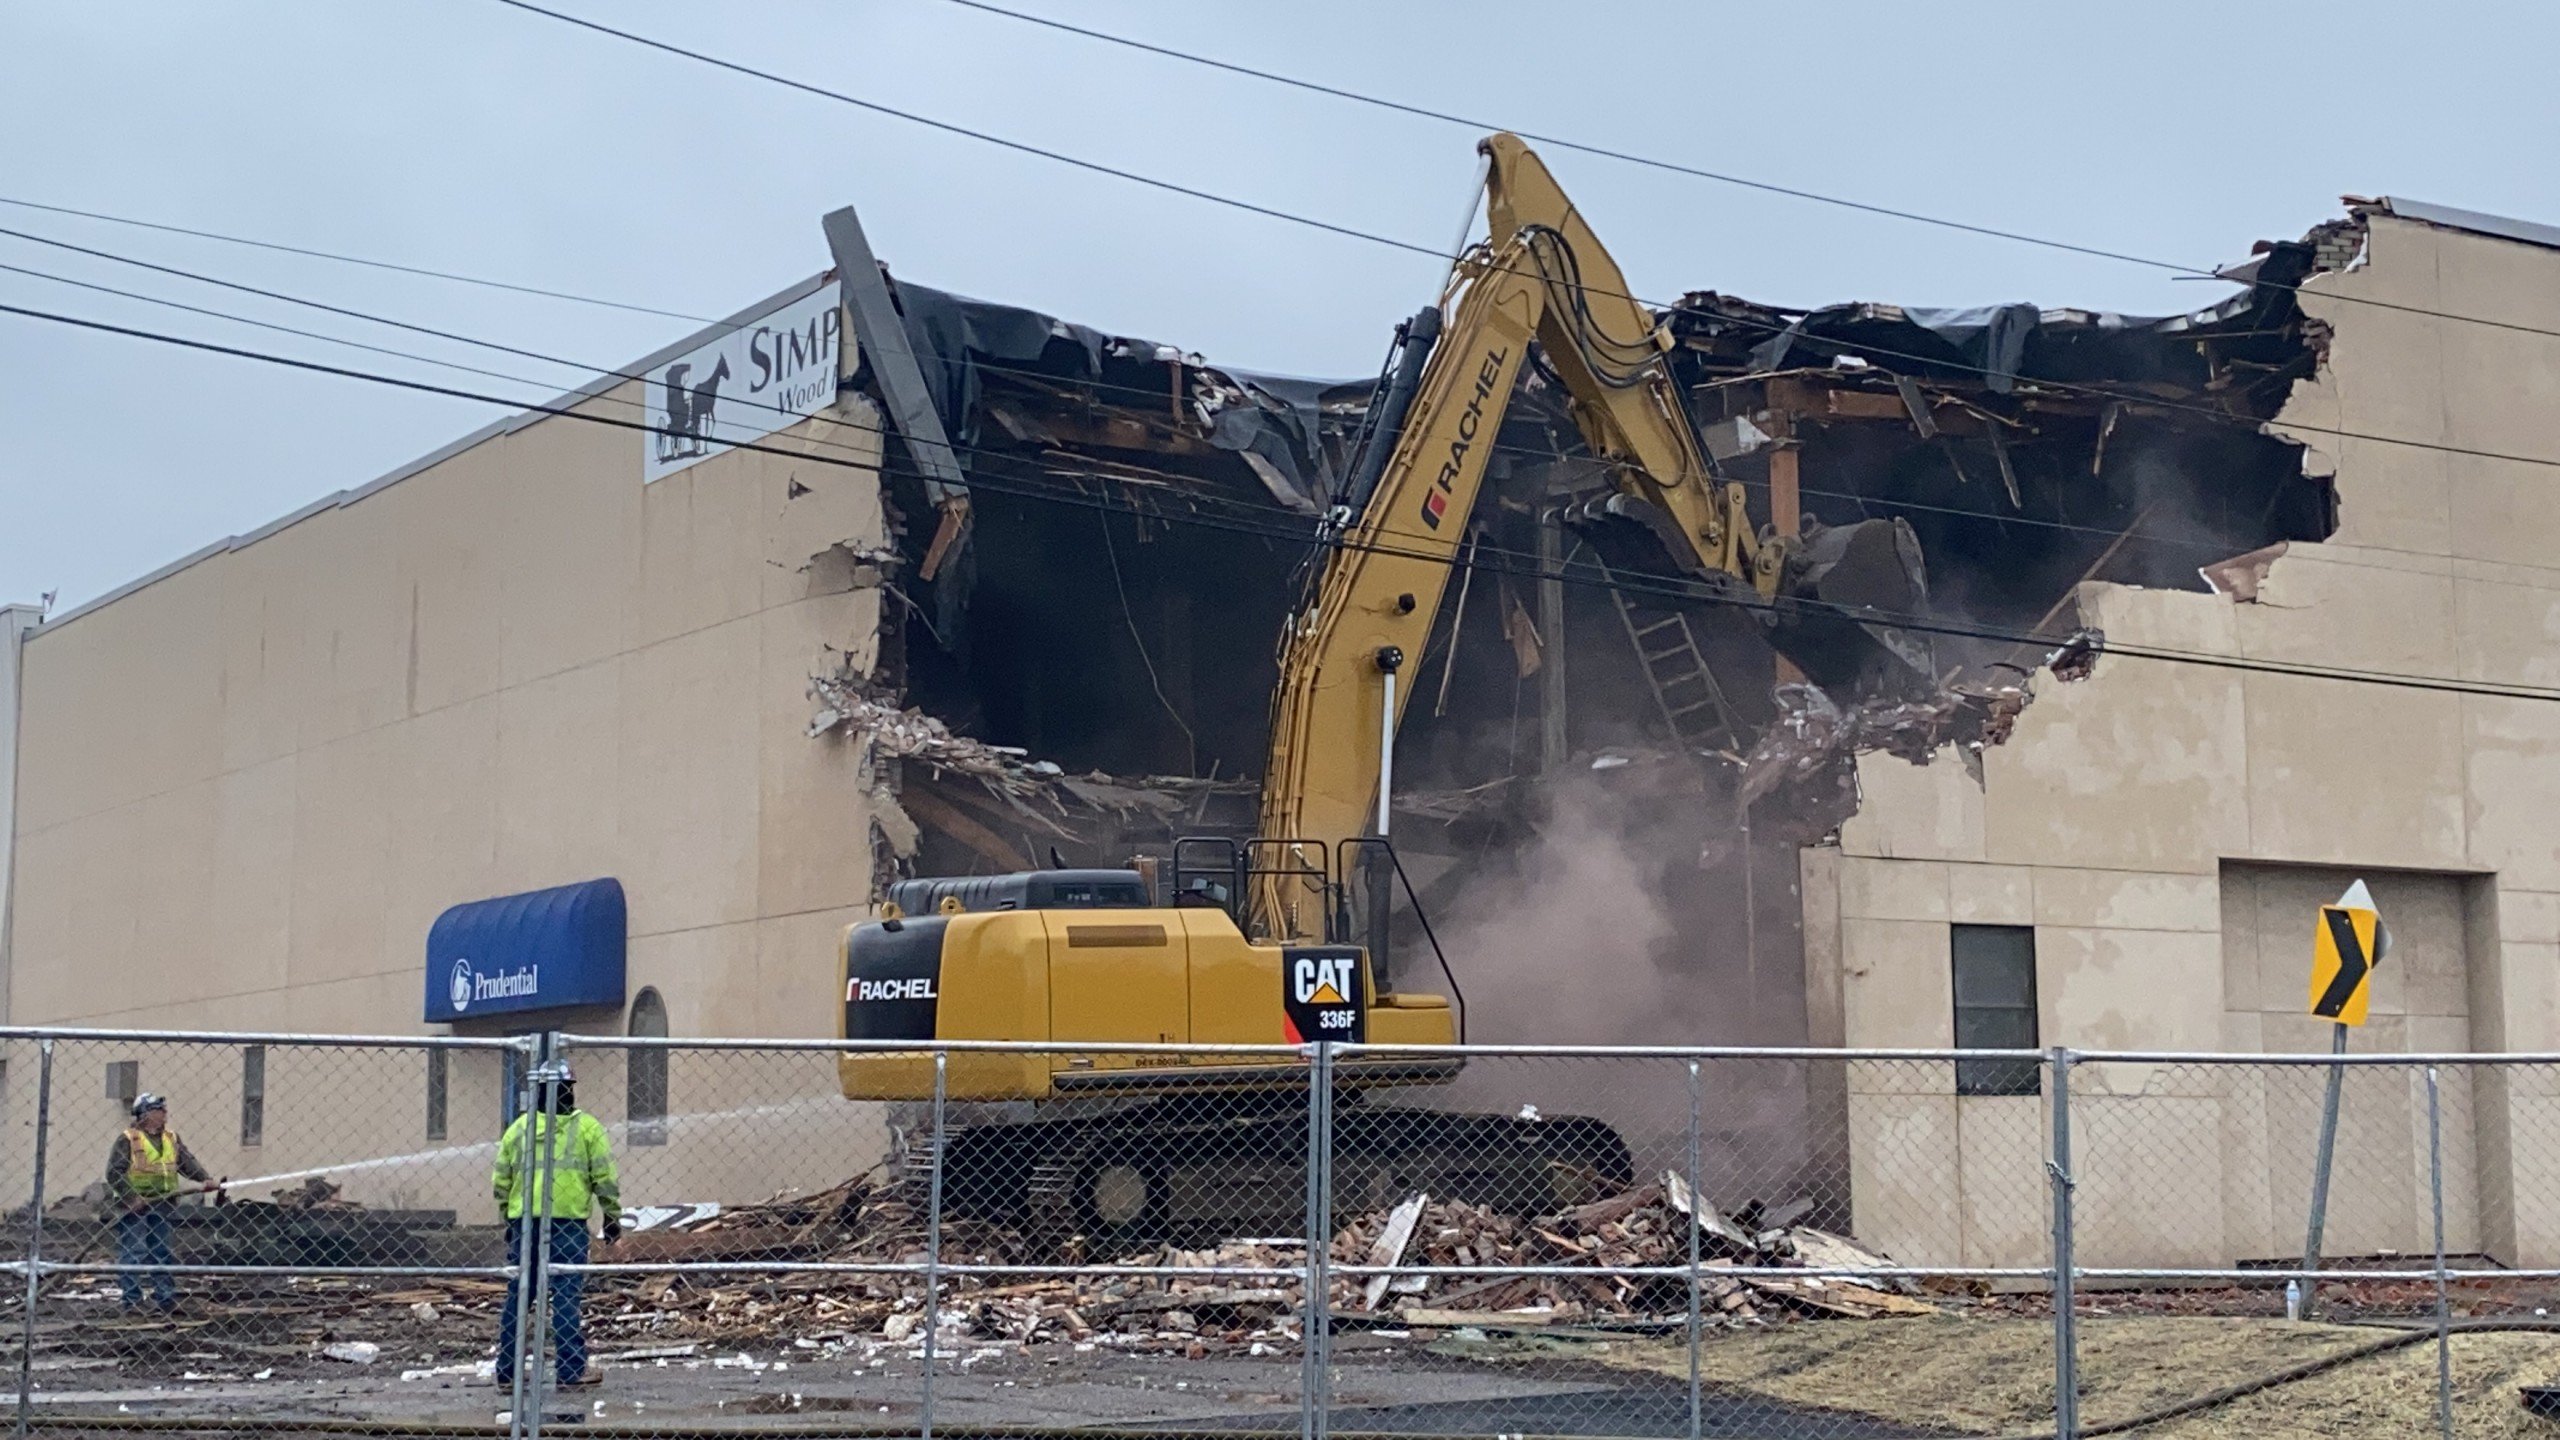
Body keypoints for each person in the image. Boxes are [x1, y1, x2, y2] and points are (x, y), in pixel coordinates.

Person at [491, 1068, 621, 1390]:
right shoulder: (587, 1129)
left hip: (525, 1224)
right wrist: (611, 1216)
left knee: (520, 1297)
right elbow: (604, 1177)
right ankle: (570, 1370)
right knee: (565, 1297)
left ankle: (507, 1371)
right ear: (570, 1090)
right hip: (568, 1224)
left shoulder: (519, 1129)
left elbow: (501, 1180)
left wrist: (509, 1216)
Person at [104, 1094, 221, 1314]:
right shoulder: (128, 1139)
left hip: (163, 1203)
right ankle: (133, 1302)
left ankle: (164, 1299)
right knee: (134, 1252)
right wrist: (131, 1197)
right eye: (158, 1110)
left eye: (163, 1110)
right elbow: (114, 1172)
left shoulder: (171, 1138)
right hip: (135, 1207)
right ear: (145, 1115)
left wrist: (204, 1179)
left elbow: (186, 1161)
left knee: (162, 1251)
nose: (163, 1114)